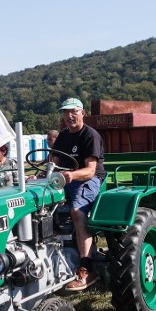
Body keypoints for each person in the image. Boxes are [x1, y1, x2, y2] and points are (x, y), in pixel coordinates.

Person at [51, 98, 107, 292]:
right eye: (65, 112)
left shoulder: (90, 135)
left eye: (73, 111)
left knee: (76, 211)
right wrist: (40, 175)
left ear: (82, 113)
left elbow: (90, 171)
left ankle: (87, 269)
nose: (69, 116)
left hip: (86, 180)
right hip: (64, 180)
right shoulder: (63, 136)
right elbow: (53, 163)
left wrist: (71, 175)